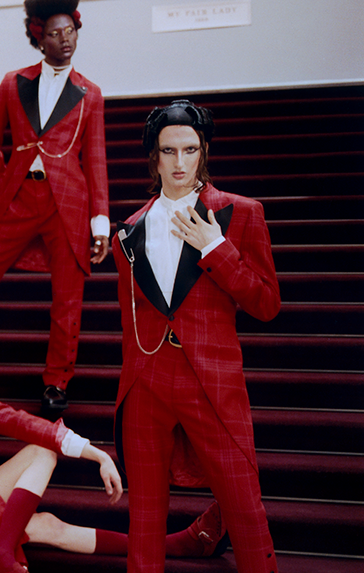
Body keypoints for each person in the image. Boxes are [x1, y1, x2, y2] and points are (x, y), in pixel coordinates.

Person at [0, 308, 223, 573]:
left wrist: (94, 453)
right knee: (46, 524)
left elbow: (15, 420)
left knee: (43, 454)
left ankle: (2, 554)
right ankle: (180, 544)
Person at [113, 100, 281, 573]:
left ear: (204, 151)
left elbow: (267, 304)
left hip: (212, 381)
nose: (180, 162)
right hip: (146, 383)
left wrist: (215, 248)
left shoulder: (241, 214)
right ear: (155, 156)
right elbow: (135, 316)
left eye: (190, 149)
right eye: (170, 151)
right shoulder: (129, 230)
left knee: (245, 508)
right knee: (144, 519)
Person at [0, 0, 110, 414]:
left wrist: (100, 222)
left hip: (69, 205)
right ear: (38, 37)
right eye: (55, 32)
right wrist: (8, 183)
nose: (65, 39)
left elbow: (97, 160)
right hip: (20, 198)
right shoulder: (13, 83)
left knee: (68, 297)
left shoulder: (91, 93)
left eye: (71, 31)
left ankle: (57, 380)